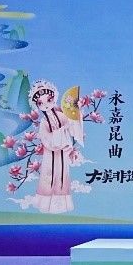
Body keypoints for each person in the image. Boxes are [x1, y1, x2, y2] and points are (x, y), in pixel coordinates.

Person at [25, 80, 86, 214]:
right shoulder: (44, 122)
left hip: (62, 154)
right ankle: (46, 204)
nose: (46, 105)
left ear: (54, 98)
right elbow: (47, 140)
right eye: (40, 103)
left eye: (49, 100)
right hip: (50, 155)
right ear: (37, 105)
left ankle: (62, 205)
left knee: (62, 176)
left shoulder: (61, 115)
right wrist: (61, 131)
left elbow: (72, 124)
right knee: (49, 177)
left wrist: (76, 111)